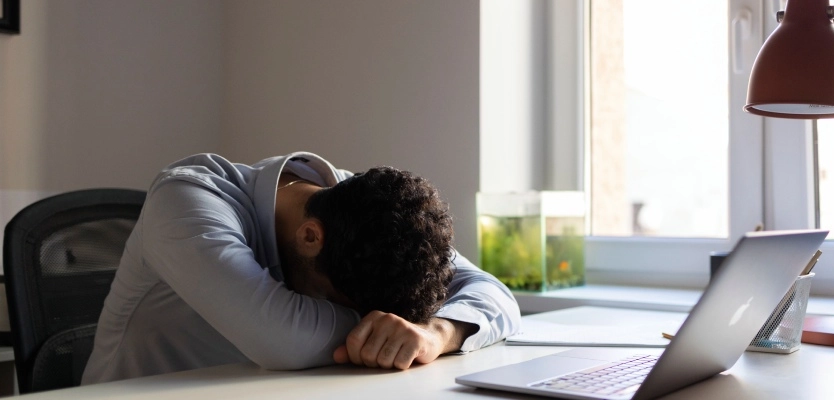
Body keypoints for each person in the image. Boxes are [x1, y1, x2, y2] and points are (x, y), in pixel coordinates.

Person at [81, 152, 521, 384]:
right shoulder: (186, 200)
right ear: (310, 237)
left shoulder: (364, 207)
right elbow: (280, 339)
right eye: (338, 301)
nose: (386, 325)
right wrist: (384, 335)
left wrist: (434, 333)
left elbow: (495, 294)